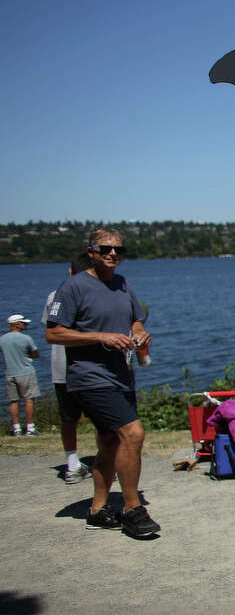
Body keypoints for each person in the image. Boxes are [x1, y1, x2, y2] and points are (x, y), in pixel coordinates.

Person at [44, 228, 160, 538]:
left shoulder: (122, 284)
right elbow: (53, 333)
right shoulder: (73, 287)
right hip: (89, 378)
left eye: (118, 250)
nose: (112, 254)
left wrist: (139, 332)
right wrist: (100, 336)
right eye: (105, 249)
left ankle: (96, 509)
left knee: (109, 442)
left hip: (121, 375)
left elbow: (136, 317)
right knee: (133, 434)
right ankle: (133, 509)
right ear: (92, 251)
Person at [42, 253, 94, 482]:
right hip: (89, 368)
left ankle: (72, 463)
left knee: (68, 418)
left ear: (70, 271)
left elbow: (50, 326)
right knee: (103, 420)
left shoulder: (54, 296)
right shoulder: (96, 293)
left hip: (61, 368)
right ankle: (106, 464)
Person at [2, 314, 40, 437]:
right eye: (23, 323)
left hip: (10, 372)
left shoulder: (2, 339)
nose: (25, 325)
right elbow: (35, 354)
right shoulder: (26, 338)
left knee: (14, 401)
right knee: (29, 400)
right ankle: (30, 428)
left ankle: (16, 429)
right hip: (26, 372)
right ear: (17, 324)